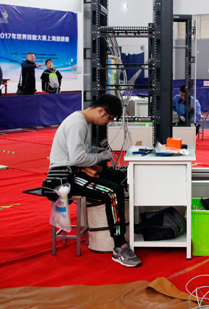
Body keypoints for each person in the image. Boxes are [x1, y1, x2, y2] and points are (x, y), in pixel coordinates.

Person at [44, 94, 141, 268]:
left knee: (121, 175)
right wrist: (101, 156)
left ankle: (135, 226)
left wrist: (97, 152)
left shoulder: (81, 122)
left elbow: (81, 151)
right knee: (113, 192)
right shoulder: (78, 124)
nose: (108, 122)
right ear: (101, 111)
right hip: (67, 177)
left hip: (77, 172)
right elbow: (77, 158)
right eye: (109, 118)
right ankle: (119, 246)